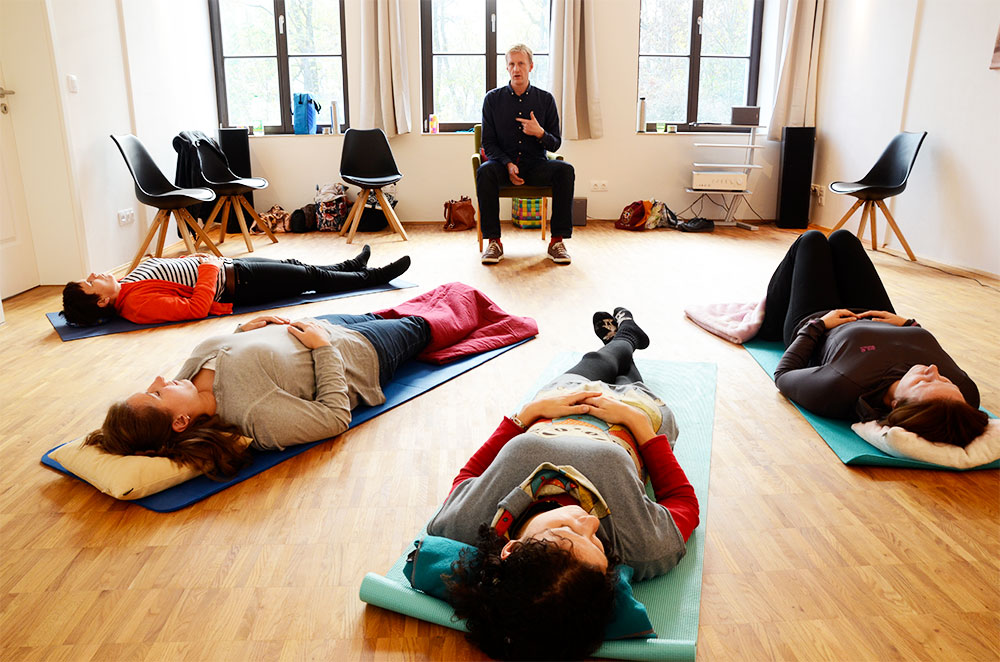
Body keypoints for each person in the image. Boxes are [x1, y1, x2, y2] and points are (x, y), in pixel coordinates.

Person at [425, 308, 699, 660]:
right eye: (598, 547)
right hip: (633, 417)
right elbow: (682, 502)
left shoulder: (463, 524)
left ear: (511, 549)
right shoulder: (645, 548)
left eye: (566, 529)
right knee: (630, 380)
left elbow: (468, 478)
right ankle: (626, 335)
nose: (589, 522)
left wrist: (525, 415)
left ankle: (623, 339)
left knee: (597, 361)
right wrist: (639, 427)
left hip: (556, 404)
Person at [84, 311, 431, 479]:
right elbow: (335, 417)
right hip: (357, 353)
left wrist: (242, 332)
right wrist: (324, 348)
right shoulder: (254, 415)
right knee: (422, 324)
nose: (160, 379)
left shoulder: (185, 381)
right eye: (156, 393)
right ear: (180, 421)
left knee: (384, 312)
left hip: (309, 323)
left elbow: (235, 357)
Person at [760, 229, 987, 446]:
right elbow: (931, 351)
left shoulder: (843, 387)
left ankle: (770, 322)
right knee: (843, 239)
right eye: (945, 380)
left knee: (812, 240)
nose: (933, 370)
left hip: (819, 318)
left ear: (896, 405)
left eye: (923, 382)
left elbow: (783, 375)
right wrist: (910, 325)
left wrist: (817, 326)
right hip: (880, 315)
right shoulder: (963, 395)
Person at [61, 246, 411, 326]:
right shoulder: (137, 307)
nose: (93, 274)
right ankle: (373, 277)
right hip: (237, 283)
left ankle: (349, 267)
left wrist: (196, 257)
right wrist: (210, 266)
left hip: (232, 268)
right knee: (308, 280)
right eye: (90, 283)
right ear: (103, 302)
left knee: (296, 267)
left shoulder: (125, 285)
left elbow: (169, 270)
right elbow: (194, 309)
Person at [477, 43, 576, 266]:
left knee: (565, 171)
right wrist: (508, 163)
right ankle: (494, 242)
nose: (516, 69)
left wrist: (540, 133)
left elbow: (556, 143)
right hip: (503, 166)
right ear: (507, 68)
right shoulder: (492, 100)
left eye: (521, 63)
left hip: (536, 166)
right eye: (511, 64)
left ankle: (557, 242)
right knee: (484, 172)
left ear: (530, 66)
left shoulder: (546, 100)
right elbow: (488, 143)